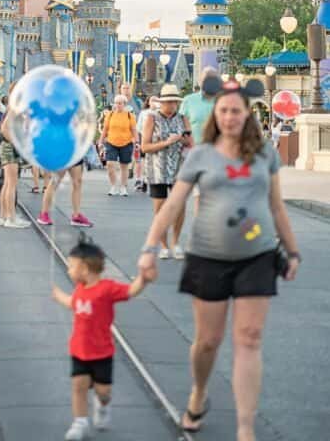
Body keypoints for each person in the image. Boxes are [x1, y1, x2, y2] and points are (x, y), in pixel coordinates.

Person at [138, 75, 301, 440]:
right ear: (217, 114)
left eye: (236, 111)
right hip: (208, 256)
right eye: (224, 110)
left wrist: (292, 251)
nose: (230, 117)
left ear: (248, 114)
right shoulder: (201, 155)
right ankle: (199, 392)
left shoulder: (265, 155)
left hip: (257, 256)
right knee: (208, 341)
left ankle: (245, 427)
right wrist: (151, 248)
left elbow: (276, 206)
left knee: (249, 337)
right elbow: (173, 204)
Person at [52, 234, 150, 440]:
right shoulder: (80, 289)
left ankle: (103, 405)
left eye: (71, 266)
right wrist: (59, 296)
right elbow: (74, 304)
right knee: (78, 386)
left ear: (84, 269)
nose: (68, 271)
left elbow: (131, 291)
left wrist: (143, 279)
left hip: (102, 352)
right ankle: (80, 422)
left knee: (103, 391)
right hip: (79, 350)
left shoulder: (107, 289)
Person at [142, 85, 191, 259]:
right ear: (162, 102)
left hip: (179, 168)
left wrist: (182, 139)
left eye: (175, 102)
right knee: (160, 207)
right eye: (169, 102)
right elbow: (145, 146)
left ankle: (175, 242)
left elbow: (190, 142)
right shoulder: (152, 118)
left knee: (179, 206)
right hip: (157, 169)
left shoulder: (183, 118)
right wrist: (166, 142)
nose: (172, 105)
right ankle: (163, 244)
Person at [0, 107, 30, 229]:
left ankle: (4, 216)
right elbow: (4, 129)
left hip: (7, 147)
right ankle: (11, 217)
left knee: (7, 183)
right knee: (11, 183)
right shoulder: (15, 109)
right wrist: (17, 143)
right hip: (10, 148)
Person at [99, 95, 136, 196]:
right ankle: (113, 186)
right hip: (111, 142)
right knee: (110, 164)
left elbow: (134, 130)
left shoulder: (130, 116)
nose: (118, 105)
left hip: (126, 143)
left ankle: (123, 187)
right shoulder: (110, 115)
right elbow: (105, 130)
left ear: (124, 104)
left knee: (124, 166)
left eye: (120, 103)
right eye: (116, 103)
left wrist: (136, 142)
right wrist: (100, 141)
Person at [37, 160, 93, 229]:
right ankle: (43, 214)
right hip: (64, 153)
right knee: (55, 181)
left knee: (78, 182)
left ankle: (76, 216)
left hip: (76, 153)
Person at [180, 67, 219, 144]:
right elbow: (181, 127)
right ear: (199, 81)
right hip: (194, 150)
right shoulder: (188, 100)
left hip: (218, 151)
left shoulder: (223, 101)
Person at [133, 95, 157, 192]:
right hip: (145, 138)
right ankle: (143, 180)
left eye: (157, 100)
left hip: (157, 140)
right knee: (143, 161)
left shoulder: (161, 113)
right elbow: (138, 128)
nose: (155, 102)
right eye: (153, 100)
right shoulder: (144, 113)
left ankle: (151, 180)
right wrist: (138, 141)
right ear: (148, 102)